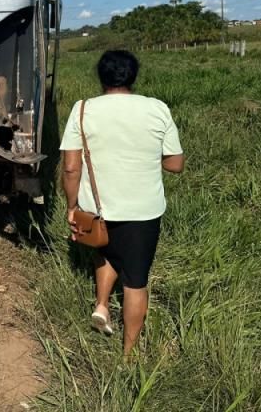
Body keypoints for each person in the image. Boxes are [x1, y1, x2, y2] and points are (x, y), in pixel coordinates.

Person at [60, 50, 184, 358]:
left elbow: (71, 168)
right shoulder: (157, 108)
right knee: (135, 281)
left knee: (106, 252)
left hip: (97, 208)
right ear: (133, 76)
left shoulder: (83, 109)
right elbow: (175, 164)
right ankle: (128, 356)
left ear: (101, 77)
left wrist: (71, 206)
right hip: (143, 211)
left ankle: (102, 306)